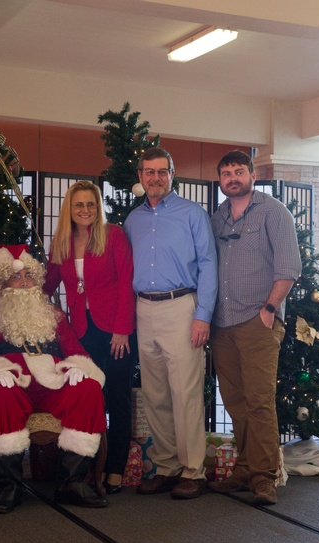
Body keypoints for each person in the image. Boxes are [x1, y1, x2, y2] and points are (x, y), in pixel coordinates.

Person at [0, 245, 110, 514]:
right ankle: (10, 486)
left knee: (88, 388)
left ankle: (71, 482)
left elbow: (76, 350)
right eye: (16, 277)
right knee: (0, 393)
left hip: (52, 383)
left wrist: (78, 366)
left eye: (29, 276)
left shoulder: (52, 314)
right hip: (12, 383)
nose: (24, 283)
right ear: (2, 282)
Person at [207, 151, 301, 505]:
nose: (232, 177)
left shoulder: (273, 212)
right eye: (226, 172)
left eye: (239, 171)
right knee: (235, 401)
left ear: (252, 175)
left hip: (256, 321)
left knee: (260, 401)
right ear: (220, 180)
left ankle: (265, 476)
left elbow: (289, 266)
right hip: (222, 323)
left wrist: (269, 309)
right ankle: (244, 467)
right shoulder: (216, 219)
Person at [124, 147, 217, 499]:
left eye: (162, 171)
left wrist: (202, 316)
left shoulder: (192, 214)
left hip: (182, 307)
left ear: (172, 174)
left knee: (186, 393)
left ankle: (193, 470)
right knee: (155, 393)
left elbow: (208, 264)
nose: (155, 178)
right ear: (141, 175)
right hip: (143, 310)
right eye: (149, 172)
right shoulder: (132, 220)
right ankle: (165, 465)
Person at [45, 181, 135, 494]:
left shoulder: (114, 236)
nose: (85, 211)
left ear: (98, 207)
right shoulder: (62, 243)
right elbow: (46, 285)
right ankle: (87, 466)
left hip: (115, 331)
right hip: (81, 334)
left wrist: (123, 328)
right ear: (69, 209)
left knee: (118, 398)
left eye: (91, 205)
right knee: (88, 399)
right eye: (79, 205)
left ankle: (115, 470)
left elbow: (126, 283)